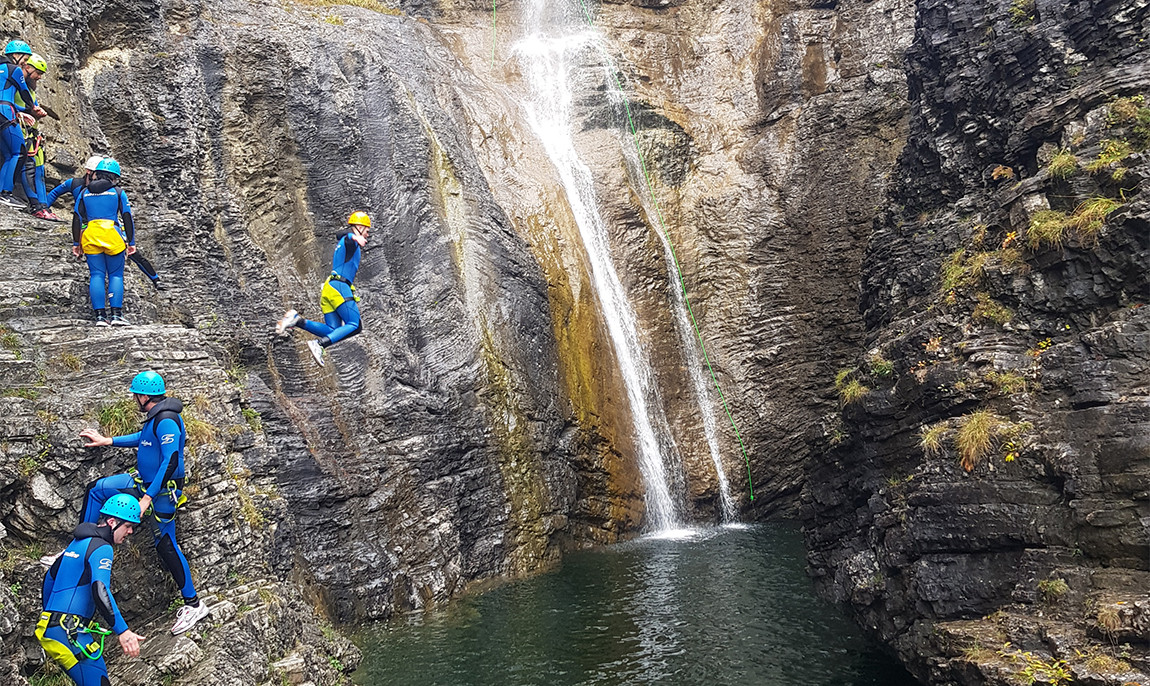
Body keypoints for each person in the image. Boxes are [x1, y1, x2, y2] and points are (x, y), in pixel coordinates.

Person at [63, 371, 211, 635]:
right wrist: (108, 441)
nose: (134, 398)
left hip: (161, 491)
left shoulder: (166, 419)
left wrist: (146, 499)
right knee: (96, 490)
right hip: (142, 480)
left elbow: (171, 461)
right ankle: (81, 547)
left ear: (144, 396)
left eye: (135, 394)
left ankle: (194, 604)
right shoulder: (155, 417)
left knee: (166, 545)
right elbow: (142, 439)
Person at [38, 492, 147, 686]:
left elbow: (50, 577)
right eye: (128, 526)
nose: (130, 532)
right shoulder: (102, 547)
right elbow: (100, 589)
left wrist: (50, 616)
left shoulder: (78, 542)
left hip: (55, 627)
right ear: (112, 522)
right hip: (68, 630)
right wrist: (123, 631)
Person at [50, 156, 164, 290]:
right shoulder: (75, 184)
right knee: (101, 270)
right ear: (89, 172)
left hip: (108, 225)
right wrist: (43, 209)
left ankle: (155, 279)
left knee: (132, 252)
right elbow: (55, 194)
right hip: (87, 225)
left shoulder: (110, 188)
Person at [275, 211, 371, 366]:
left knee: (333, 329)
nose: (367, 234)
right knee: (354, 325)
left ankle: (297, 321)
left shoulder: (343, 243)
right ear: (359, 227)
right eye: (366, 230)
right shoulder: (350, 241)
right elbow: (348, 237)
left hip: (329, 288)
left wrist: (354, 236)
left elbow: (341, 234)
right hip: (340, 287)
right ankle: (319, 344)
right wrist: (356, 237)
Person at [72, 157, 135, 325]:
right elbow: (127, 217)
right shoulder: (118, 192)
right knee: (115, 275)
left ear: (96, 174)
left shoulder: (84, 192)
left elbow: (77, 217)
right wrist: (132, 242)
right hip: (112, 234)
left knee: (96, 275)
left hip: (91, 235)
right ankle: (116, 316)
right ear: (114, 177)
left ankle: (100, 317)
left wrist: (76, 244)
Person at [0, 40, 46, 208]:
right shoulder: (14, 70)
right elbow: (25, 93)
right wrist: (32, 108)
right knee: (19, 153)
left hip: (4, 112)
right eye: (25, 59)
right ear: (16, 56)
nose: (25, 63)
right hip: (5, 113)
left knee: (8, 154)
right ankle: (5, 194)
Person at [14, 53, 58, 220]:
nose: (39, 77)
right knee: (28, 168)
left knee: (39, 172)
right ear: (27, 68)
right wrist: (27, 111)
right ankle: (35, 206)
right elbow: (9, 103)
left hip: (32, 135)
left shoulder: (30, 91)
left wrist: (37, 112)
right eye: (37, 73)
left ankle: (43, 206)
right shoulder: (16, 85)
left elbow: (34, 107)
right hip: (20, 132)